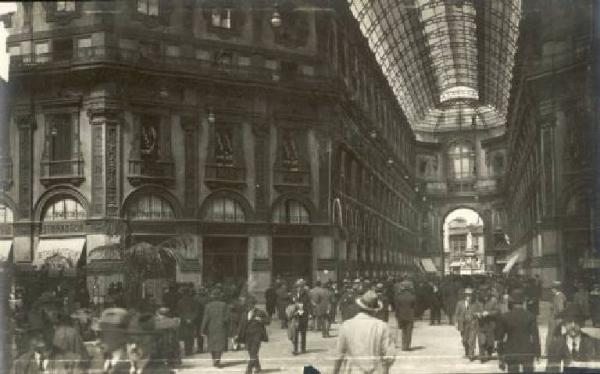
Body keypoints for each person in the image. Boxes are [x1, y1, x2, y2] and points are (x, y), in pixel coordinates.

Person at [332, 290, 396, 374]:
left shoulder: (346, 325)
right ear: (375, 310)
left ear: (359, 307)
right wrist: (385, 369)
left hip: (353, 371)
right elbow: (389, 355)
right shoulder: (382, 326)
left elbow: (339, 355)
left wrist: (335, 372)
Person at [496, 289, 540, 374]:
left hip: (511, 351)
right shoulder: (530, 316)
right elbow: (535, 337)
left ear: (511, 302)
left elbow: (500, 338)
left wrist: (500, 356)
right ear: (523, 302)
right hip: (527, 351)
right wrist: (537, 353)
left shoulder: (505, 317)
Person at [546, 305, 600, 373]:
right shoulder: (554, 346)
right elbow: (551, 371)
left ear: (581, 324)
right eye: (569, 322)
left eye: (576, 322)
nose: (573, 325)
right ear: (564, 324)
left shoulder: (595, 345)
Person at [88, 307, 132, 374]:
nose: (100, 339)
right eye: (99, 333)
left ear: (122, 335)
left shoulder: (131, 364)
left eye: (106, 332)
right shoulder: (100, 360)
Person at [237, 296, 268, 374]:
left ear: (254, 304)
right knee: (251, 353)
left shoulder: (260, 312)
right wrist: (237, 334)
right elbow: (241, 325)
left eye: (251, 304)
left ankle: (249, 369)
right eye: (248, 305)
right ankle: (258, 367)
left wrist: (261, 320)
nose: (249, 306)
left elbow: (268, 321)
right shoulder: (244, 313)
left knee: (253, 352)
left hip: (257, 335)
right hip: (247, 336)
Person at [201, 289, 230, 368]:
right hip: (221, 327)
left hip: (211, 328)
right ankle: (217, 360)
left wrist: (202, 329)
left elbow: (205, 318)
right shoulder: (224, 305)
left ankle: (214, 359)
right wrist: (224, 322)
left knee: (212, 344)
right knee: (220, 344)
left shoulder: (208, 305)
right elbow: (227, 317)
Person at [454, 288, 482, 361]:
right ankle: (467, 351)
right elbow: (456, 314)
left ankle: (471, 354)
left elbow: (480, 312)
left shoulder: (476, 304)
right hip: (463, 324)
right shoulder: (460, 303)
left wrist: (479, 314)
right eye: (467, 295)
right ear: (464, 295)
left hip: (473, 323)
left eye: (470, 295)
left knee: (471, 340)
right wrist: (456, 322)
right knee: (465, 340)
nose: (468, 297)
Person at [477, 285, 500, 363]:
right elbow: (472, 310)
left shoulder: (494, 300)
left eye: (485, 292)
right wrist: (477, 314)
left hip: (490, 324)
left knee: (490, 342)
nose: (484, 294)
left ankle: (489, 351)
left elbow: (497, 311)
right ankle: (482, 356)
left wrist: (488, 313)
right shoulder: (477, 300)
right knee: (482, 341)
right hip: (481, 324)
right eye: (482, 292)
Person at [393, 280, 416, 351]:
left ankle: (403, 345)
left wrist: (396, 314)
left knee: (403, 330)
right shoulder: (413, 296)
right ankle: (407, 345)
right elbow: (415, 306)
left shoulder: (398, 296)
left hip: (401, 314)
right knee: (409, 331)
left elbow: (396, 307)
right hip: (410, 314)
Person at [546, 281, 567, 356]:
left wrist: (559, 319)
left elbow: (560, 309)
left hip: (555, 319)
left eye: (553, 288)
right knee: (558, 335)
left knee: (551, 335)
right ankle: (559, 351)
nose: (552, 289)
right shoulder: (558, 296)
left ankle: (548, 352)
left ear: (556, 289)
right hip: (556, 318)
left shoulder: (559, 296)